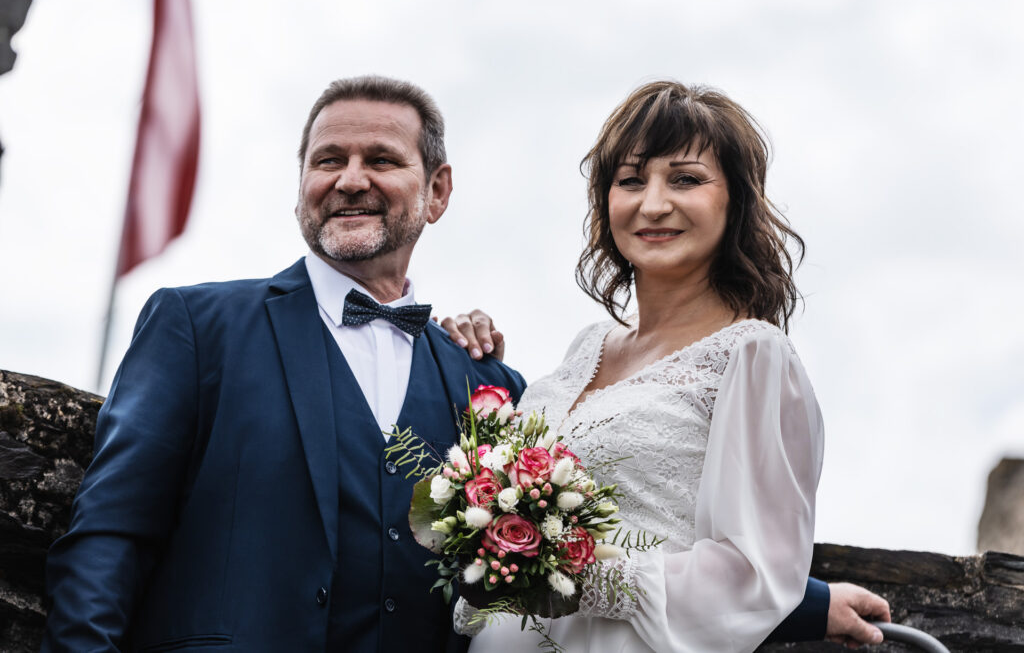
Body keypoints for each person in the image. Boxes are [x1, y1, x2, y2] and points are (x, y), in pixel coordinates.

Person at [42, 76, 528, 652]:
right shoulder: (196, 326)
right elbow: (109, 535)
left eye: (381, 159)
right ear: (301, 187)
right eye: (328, 160)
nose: (350, 180)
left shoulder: (487, 384)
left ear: (437, 191)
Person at [443, 81, 890, 651]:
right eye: (631, 180)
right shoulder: (587, 346)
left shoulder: (752, 354)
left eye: (685, 179)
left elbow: (756, 576)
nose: (652, 204)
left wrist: (569, 572)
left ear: (736, 201)